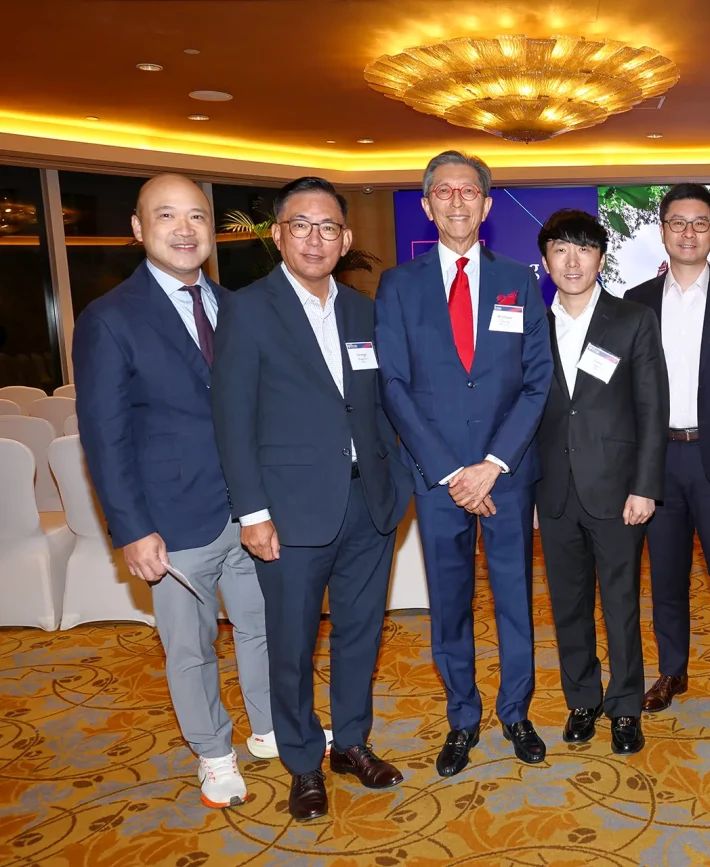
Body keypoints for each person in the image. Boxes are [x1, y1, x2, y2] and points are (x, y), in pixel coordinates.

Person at [211, 177, 413, 822]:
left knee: (360, 634)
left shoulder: (362, 310)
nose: (315, 238)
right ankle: (303, 761)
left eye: (328, 227)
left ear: (346, 239)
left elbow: (378, 405)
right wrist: (253, 511)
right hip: (289, 513)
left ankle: (351, 742)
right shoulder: (246, 309)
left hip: (369, 506)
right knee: (292, 643)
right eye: (301, 225)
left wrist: (398, 479)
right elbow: (232, 419)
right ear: (278, 236)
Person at [73, 173, 274, 810]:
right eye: (167, 216)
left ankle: (270, 729)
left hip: (250, 509)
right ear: (139, 229)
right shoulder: (108, 319)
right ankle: (215, 752)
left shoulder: (233, 305)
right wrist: (131, 528)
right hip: (171, 519)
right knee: (189, 647)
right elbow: (104, 438)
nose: (185, 229)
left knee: (261, 626)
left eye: (196, 217)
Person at [375, 151, 553, 777]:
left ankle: (518, 712)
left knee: (514, 599)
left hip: (506, 476)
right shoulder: (398, 285)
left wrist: (493, 463)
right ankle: (462, 718)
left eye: (468, 191)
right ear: (427, 205)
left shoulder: (519, 280)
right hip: (438, 479)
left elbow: (538, 381)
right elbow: (393, 384)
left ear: (486, 205)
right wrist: (454, 471)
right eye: (443, 192)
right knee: (449, 604)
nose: (456, 201)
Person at [625, 184, 710, 726]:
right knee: (665, 578)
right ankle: (672, 670)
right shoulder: (635, 303)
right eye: (678, 222)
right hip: (657, 463)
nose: (688, 232)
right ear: (661, 231)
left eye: (699, 223)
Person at [534, 209, 668, 754]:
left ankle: (626, 706)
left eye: (583, 249)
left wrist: (645, 486)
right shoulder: (528, 324)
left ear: (600, 258)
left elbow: (651, 408)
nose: (572, 260)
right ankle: (583, 701)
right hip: (555, 488)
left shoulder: (631, 319)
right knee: (567, 604)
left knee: (620, 605)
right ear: (545, 260)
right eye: (561, 249)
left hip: (618, 490)